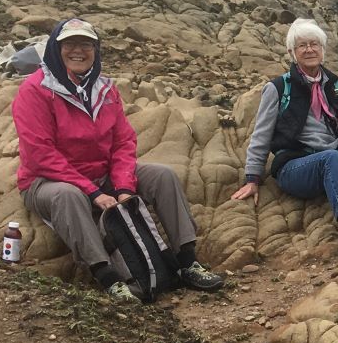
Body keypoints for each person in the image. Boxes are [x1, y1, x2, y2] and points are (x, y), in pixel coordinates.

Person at [12, 18, 225, 301]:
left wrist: (124, 187)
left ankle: (187, 262)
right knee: (68, 196)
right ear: (55, 48)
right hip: (48, 180)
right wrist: (93, 191)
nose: (78, 51)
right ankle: (109, 278)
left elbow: (123, 141)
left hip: (102, 174)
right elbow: (40, 155)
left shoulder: (104, 89)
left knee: (163, 176)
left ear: (96, 49)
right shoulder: (35, 91)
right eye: (70, 44)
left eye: (86, 44)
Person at [233, 19, 338, 259]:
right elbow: (261, 136)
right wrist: (252, 178)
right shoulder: (278, 88)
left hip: (336, 163)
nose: (309, 49)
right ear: (292, 52)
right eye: (302, 45)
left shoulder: (337, 85)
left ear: (323, 49)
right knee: (331, 157)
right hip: (295, 168)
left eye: (314, 44)